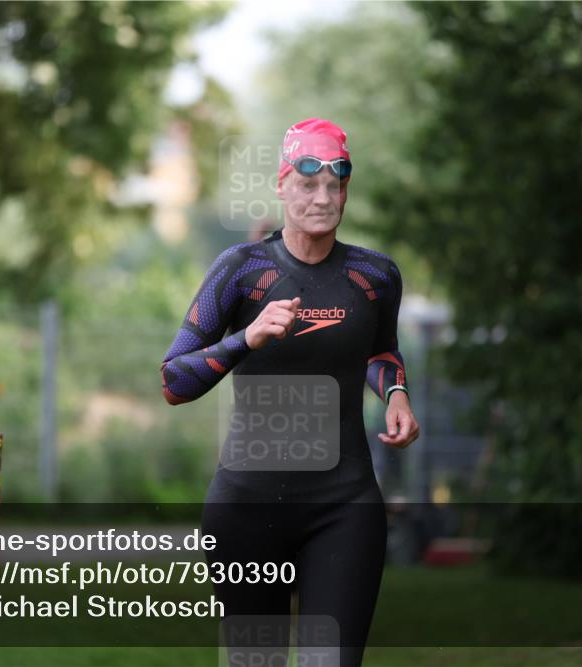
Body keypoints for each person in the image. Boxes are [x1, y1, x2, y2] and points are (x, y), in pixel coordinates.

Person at [160, 118, 419, 666]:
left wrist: (395, 393)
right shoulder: (240, 271)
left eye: (335, 185)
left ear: (346, 190)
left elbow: (380, 351)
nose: (322, 198)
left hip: (344, 506)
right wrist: (245, 340)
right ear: (282, 184)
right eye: (308, 183)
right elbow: (173, 381)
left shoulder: (375, 276)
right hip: (246, 510)